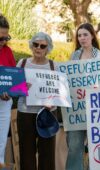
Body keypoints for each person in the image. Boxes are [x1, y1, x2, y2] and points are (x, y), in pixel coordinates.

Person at [65, 23, 100, 170]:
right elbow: (69, 80)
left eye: (85, 35)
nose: (82, 38)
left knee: (96, 147)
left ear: (92, 36)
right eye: (79, 35)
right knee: (74, 146)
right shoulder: (74, 56)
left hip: (95, 108)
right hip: (77, 109)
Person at [16, 32, 57, 170]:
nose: (38, 48)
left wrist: (53, 102)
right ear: (31, 45)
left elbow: (60, 91)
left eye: (42, 46)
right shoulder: (22, 63)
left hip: (48, 113)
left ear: (48, 48)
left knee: (47, 152)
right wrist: (22, 87)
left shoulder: (53, 66)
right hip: (25, 112)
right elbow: (14, 88)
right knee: (26, 151)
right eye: (35, 44)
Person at [0, 14, 15, 166]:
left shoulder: (7, 51)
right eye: (0, 38)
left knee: (1, 140)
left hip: (4, 104)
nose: (3, 41)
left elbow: (13, 79)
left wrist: (12, 90)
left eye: (6, 38)